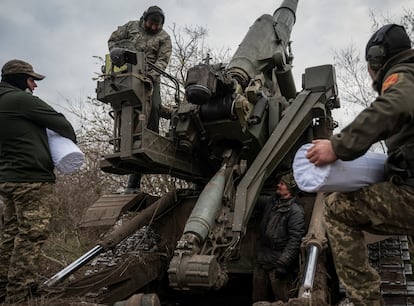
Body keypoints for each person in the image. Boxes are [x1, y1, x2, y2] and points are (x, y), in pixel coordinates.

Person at [306, 24, 414, 306]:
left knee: (337, 208)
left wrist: (338, 147)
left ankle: (365, 300)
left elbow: (395, 105)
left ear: (378, 58)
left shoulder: (403, 76)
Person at [0, 59, 77, 303]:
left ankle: (3, 289)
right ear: (20, 79)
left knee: (11, 234)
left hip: (8, 179)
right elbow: (63, 124)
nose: (34, 86)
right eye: (31, 80)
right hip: (31, 179)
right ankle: (19, 296)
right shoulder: (20, 99)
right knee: (32, 235)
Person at [108, 5, 172, 193]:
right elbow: (113, 40)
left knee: (154, 108)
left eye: (157, 25)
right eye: (151, 24)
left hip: (150, 78)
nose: (154, 28)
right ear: (144, 19)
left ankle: (148, 144)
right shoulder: (130, 27)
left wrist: (151, 75)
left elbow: (163, 60)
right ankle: (123, 142)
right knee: (124, 111)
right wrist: (116, 52)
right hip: (125, 75)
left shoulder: (164, 38)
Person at [252, 172, 305, 304]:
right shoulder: (272, 202)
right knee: (258, 299)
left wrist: (283, 263)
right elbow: (253, 199)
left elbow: (295, 240)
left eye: (282, 184)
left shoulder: (295, 211)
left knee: (282, 299)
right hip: (262, 259)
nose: (278, 185)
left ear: (290, 189)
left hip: (277, 262)